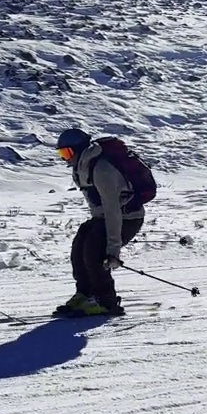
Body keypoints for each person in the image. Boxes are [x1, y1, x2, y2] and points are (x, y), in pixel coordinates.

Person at [53, 128, 152, 317]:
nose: (65, 158)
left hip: (127, 217)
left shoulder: (101, 169)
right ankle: (85, 294)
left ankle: (106, 301)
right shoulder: (82, 166)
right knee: (79, 246)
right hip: (103, 217)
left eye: (67, 153)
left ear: (80, 149)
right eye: (62, 153)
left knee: (94, 250)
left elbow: (112, 208)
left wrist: (113, 249)